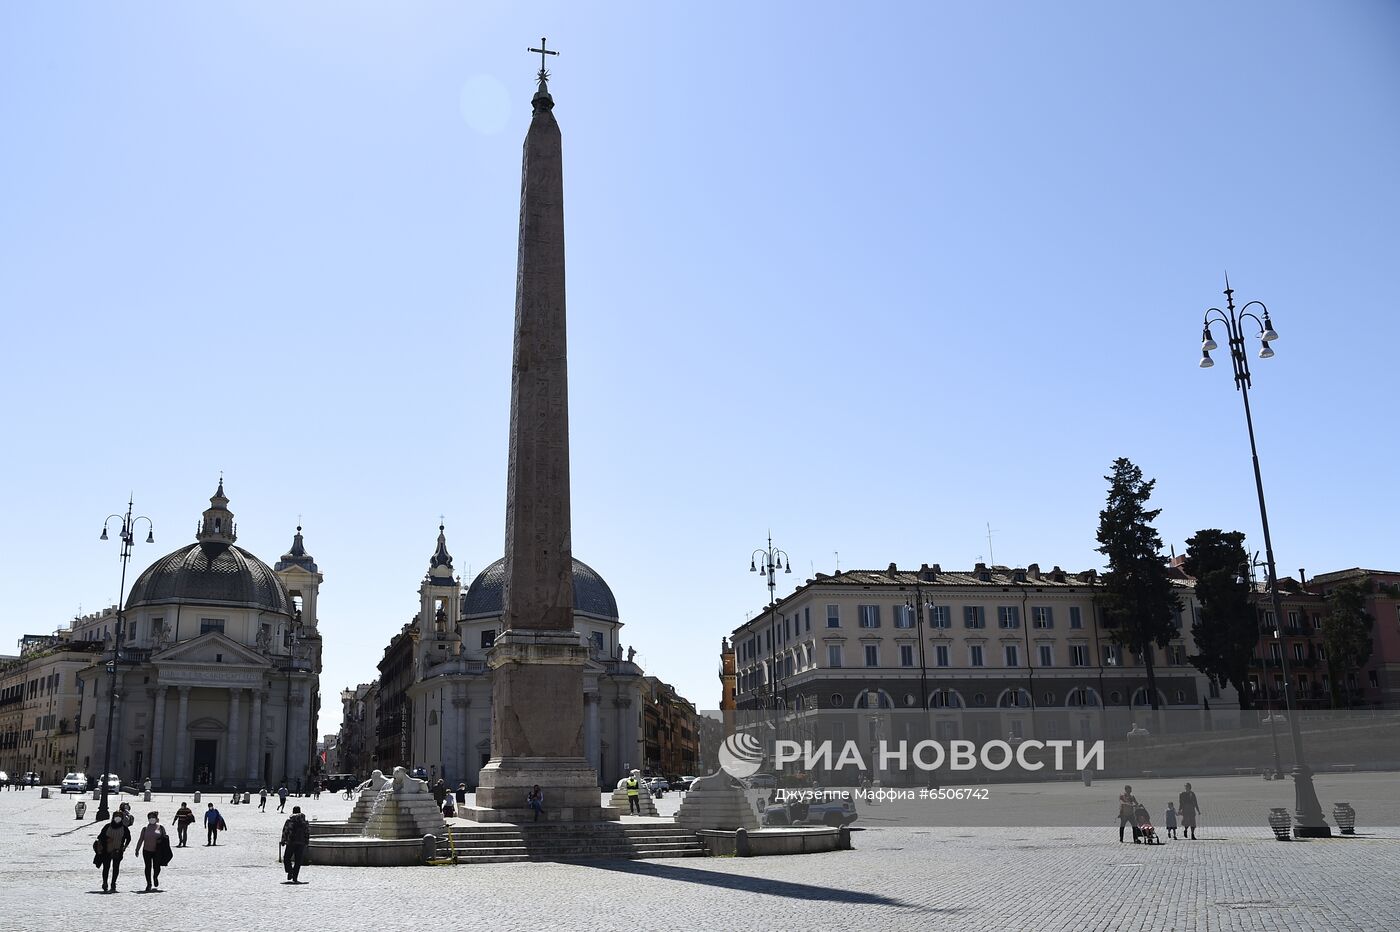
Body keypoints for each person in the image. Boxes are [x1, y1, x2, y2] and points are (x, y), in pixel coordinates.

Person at [95, 812, 131, 893]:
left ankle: (113, 884)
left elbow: (128, 838)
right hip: (106, 850)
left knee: (116, 867)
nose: (117, 818)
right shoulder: (107, 826)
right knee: (106, 867)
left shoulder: (124, 828)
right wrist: (107, 839)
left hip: (118, 850)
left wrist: (124, 847)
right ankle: (105, 883)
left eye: (119, 816)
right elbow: (100, 837)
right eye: (116, 816)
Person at [134, 810, 169, 891]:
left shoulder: (161, 828)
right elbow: (141, 839)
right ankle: (148, 883)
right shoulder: (145, 829)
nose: (151, 819)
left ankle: (155, 877)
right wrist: (137, 849)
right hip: (146, 850)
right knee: (148, 867)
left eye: (153, 817)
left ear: (156, 818)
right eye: (150, 818)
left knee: (157, 867)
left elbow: (165, 839)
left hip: (157, 851)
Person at [280, 805, 311, 884]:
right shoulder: (304, 822)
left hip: (291, 842)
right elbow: (307, 832)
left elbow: (285, 831)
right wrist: (306, 842)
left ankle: (290, 871)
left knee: (286, 858)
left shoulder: (289, 821)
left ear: (293, 811)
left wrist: (283, 841)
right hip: (301, 843)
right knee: (298, 861)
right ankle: (295, 877)